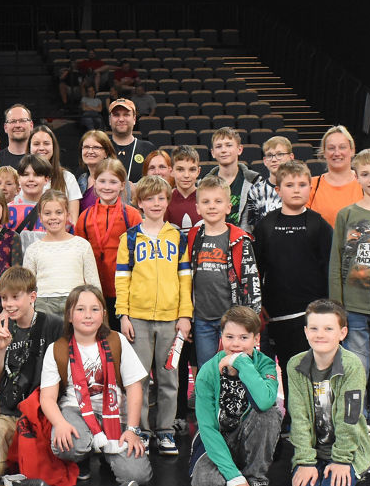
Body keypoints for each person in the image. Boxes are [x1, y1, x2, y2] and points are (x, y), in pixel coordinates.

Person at [39, 285, 152, 486]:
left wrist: (132, 429)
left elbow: (135, 387)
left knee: (138, 475)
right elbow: (47, 398)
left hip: (114, 415)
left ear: (104, 314)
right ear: (69, 315)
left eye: (94, 309)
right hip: (76, 411)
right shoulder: (56, 349)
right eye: (80, 309)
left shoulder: (118, 341)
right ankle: (83, 457)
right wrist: (60, 423)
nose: (88, 315)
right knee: (69, 445)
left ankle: (108, 454)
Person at [116, 175, 193, 456]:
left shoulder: (178, 237)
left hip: (171, 319)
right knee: (138, 378)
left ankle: (165, 430)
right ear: (140, 203)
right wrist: (123, 315)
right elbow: (122, 279)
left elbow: (185, 280)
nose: (156, 203)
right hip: (137, 318)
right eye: (149, 199)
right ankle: (142, 430)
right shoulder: (130, 238)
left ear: (167, 201)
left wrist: (185, 315)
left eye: (161, 198)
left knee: (169, 378)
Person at [252, 160, 333, 425]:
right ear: (278, 190)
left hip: (313, 314)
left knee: (317, 368)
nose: (296, 190)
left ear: (310, 187)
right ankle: (292, 419)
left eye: (301, 185)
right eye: (289, 185)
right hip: (277, 313)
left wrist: (328, 310)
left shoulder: (319, 225)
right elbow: (256, 269)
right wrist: (258, 305)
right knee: (289, 366)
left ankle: (321, 420)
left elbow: (330, 269)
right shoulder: (266, 225)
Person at [328, 148, 370, 457]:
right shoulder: (347, 214)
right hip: (352, 307)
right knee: (357, 372)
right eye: (365, 174)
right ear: (356, 177)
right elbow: (336, 261)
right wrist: (336, 305)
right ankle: (355, 429)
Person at [187, 305, 280, 486]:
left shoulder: (265, 364)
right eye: (229, 337)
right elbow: (208, 428)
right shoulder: (208, 372)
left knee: (269, 413)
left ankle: (255, 478)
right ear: (221, 337)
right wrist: (233, 476)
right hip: (217, 440)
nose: (236, 343)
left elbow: (264, 402)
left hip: (247, 437)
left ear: (256, 339)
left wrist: (242, 363)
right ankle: (235, 478)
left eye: (244, 337)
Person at [288, 300, 370, 486]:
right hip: (314, 451)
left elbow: (349, 418)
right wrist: (305, 462)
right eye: (314, 328)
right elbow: (298, 417)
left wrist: (342, 461)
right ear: (306, 332)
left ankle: (354, 470)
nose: (320, 335)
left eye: (328, 329)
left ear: (342, 333)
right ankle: (318, 468)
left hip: (346, 449)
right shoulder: (295, 365)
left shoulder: (352, 366)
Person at [0, 267, 64, 476]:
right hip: (8, 411)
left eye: (15, 297)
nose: (8, 304)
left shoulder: (53, 324)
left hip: (41, 411)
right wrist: (0, 349)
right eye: (4, 298)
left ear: (32, 297)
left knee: (37, 469)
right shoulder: (3, 326)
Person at [186, 175, 262, 366]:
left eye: (218, 201)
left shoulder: (240, 240)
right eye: (206, 202)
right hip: (202, 320)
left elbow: (251, 282)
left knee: (235, 368)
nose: (212, 206)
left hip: (233, 322)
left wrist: (252, 321)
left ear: (228, 207)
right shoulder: (192, 237)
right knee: (207, 368)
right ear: (197, 208)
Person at [76, 158, 142, 321]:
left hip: (124, 291)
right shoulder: (85, 217)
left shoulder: (132, 215)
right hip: (94, 290)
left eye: (113, 182)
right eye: (102, 181)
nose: (107, 187)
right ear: (94, 183)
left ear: (122, 185)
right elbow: (79, 256)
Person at [24, 190, 101, 316]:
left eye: (59, 212)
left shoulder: (82, 245)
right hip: (43, 304)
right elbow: (27, 287)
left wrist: (97, 308)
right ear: (40, 217)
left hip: (76, 301)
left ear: (67, 215)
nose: (53, 217)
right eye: (47, 213)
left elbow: (93, 283)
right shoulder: (33, 249)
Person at [206, 127, 266, 233]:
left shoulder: (255, 182)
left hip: (245, 239)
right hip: (214, 240)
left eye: (229, 145)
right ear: (213, 152)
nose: (224, 150)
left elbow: (261, 221)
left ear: (240, 149)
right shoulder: (204, 184)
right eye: (218, 146)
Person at [307, 126, 363, 226]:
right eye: (331, 148)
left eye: (342, 147)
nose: (337, 153)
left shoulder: (365, 183)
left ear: (352, 150)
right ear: (324, 152)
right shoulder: (311, 185)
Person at [28, 125, 82, 221]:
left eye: (46, 143)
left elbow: (73, 221)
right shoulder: (20, 178)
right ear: (29, 147)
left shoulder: (68, 178)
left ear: (53, 147)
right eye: (36, 144)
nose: (41, 148)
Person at [107, 98, 154, 183]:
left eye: (126, 115)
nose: (121, 119)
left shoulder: (148, 148)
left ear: (134, 119)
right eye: (116, 115)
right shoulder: (102, 148)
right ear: (110, 120)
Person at [251, 136, 291, 226]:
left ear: (291, 157)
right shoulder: (255, 191)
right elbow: (251, 226)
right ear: (265, 161)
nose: (274, 159)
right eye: (269, 155)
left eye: (279, 154)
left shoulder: (301, 188)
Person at [77, 130, 118, 212]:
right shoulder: (82, 179)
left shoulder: (117, 177)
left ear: (106, 153)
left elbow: (124, 211)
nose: (90, 151)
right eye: (86, 147)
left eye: (96, 147)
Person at [168, 146, 202, 230]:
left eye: (192, 170)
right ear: (171, 171)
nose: (186, 175)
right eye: (180, 169)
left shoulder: (208, 199)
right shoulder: (164, 200)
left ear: (198, 171)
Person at [0, 104, 34, 170]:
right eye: (13, 121)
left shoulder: (41, 158)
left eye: (22, 120)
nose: (17, 125)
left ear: (31, 125)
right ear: (5, 127)